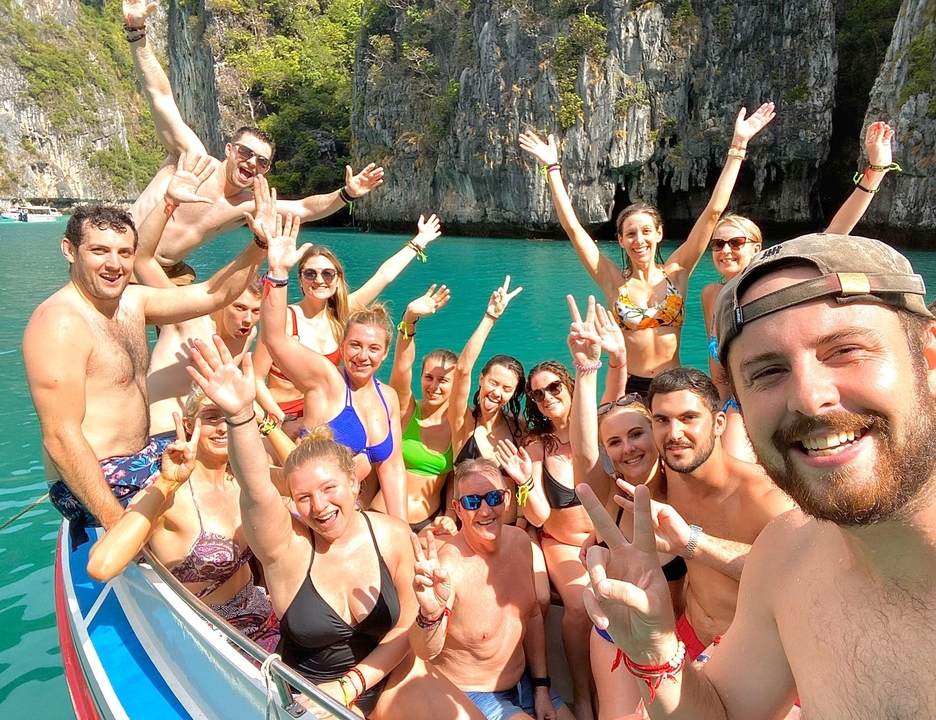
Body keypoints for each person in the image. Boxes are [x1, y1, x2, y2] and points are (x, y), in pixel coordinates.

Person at [577, 232, 936, 718]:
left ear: (928, 360)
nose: (808, 398)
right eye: (767, 372)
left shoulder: (768, 510)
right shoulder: (787, 556)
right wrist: (655, 651)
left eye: (845, 350)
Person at [186, 336, 487, 720]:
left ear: (354, 483)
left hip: (389, 679)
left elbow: (422, 647)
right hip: (315, 693)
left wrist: (428, 617)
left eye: (329, 488)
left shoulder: (392, 534)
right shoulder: (285, 549)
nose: (320, 506)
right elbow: (257, 487)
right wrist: (241, 416)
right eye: (304, 497)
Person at [23, 165, 269, 550]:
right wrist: (118, 524)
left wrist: (259, 243)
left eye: (124, 253)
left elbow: (212, 295)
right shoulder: (60, 323)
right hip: (95, 479)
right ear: (70, 251)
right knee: (203, 513)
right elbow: (60, 436)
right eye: (99, 251)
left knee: (243, 476)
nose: (114, 264)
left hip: (143, 455)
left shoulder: (132, 302)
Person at [519, 103, 775, 396]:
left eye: (645, 232)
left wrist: (738, 145)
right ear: (621, 240)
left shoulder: (677, 272)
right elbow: (574, 230)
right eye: (630, 234)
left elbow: (714, 211)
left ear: (658, 234)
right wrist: (551, 168)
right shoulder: (613, 280)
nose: (638, 240)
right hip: (630, 385)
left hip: (675, 382)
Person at [122, 0, 384, 282]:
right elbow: (160, 97)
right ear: (229, 149)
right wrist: (137, 32)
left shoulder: (247, 204)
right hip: (123, 254)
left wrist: (347, 193)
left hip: (167, 272)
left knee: (201, 323)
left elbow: (305, 208)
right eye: (246, 152)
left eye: (262, 161)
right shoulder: (192, 157)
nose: (252, 162)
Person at [701, 121, 897, 461]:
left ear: (756, 247)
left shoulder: (772, 285)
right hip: (735, 405)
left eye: (736, 242)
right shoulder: (710, 294)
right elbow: (721, 370)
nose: (725, 250)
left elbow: (834, 235)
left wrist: (874, 172)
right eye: (718, 243)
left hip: (782, 399)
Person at [565, 297, 686, 720]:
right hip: (617, 632)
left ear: (657, 432)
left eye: (636, 434)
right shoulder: (609, 493)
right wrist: (587, 371)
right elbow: (583, 450)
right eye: (614, 443)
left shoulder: (683, 488)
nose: (627, 447)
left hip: (677, 634)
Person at [86, 390, 279, 651]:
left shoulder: (244, 479)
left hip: (265, 616)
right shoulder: (169, 495)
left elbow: (307, 482)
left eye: (230, 417)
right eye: (212, 417)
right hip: (215, 639)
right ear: (189, 426)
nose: (223, 427)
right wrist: (166, 483)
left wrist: (261, 421)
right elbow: (102, 567)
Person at [258, 212, 411, 521]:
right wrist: (277, 272)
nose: (362, 356)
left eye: (373, 348)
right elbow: (274, 337)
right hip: (310, 513)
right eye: (354, 346)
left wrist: (402, 530)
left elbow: (392, 468)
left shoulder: (388, 397)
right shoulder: (326, 380)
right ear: (342, 347)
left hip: (351, 511)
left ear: (385, 353)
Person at [409, 459, 575, 720]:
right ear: (458, 509)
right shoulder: (449, 568)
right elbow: (424, 651)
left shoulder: (521, 543)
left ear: (506, 500)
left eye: (493, 498)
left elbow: (531, 616)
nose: (485, 510)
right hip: (471, 694)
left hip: (525, 684)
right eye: (473, 502)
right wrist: (429, 615)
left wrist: (542, 688)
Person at [253, 215, 445, 438]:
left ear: (337, 279)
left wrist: (419, 241)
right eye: (310, 273)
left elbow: (383, 276)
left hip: (325, 415)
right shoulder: (284, 319)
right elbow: (256, 378)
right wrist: (279, 419)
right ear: (300, 279)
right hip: (281, 415)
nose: (319, 279)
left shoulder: (340, 317)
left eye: (327, 273)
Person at [449, 277, 526, 525]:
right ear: (481, 380)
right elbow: (462, 369)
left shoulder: (519, 427)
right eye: (493, 383)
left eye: (506, 388)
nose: (496, 392)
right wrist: (490, 317)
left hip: (511, 530)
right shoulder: (462, 421)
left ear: (514, 394)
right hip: (469, 530)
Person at [385, 285, 459, 535]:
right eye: (429, 377)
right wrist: (409, 320)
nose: (434, 386)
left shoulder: (461, 423)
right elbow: (401, 369)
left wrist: (450, 514)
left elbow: (453, 477)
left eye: (444, 380)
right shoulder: (407, 411)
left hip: (430, 523)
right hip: (384, 516)